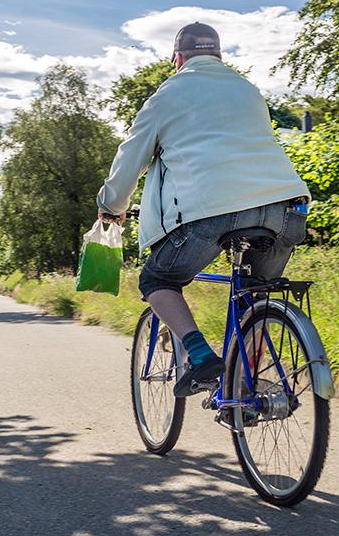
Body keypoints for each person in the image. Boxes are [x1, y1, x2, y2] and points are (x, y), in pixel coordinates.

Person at [97, 22, 310, 397]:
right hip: (286, 209)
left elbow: (130, 157)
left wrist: (111, 206)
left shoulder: (167, 95)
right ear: (219, 57)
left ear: (177, 59)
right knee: (255, 295)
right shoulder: (248, 90)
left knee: (157, 281)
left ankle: (200, 357)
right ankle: (243, 388)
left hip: (213, 211)